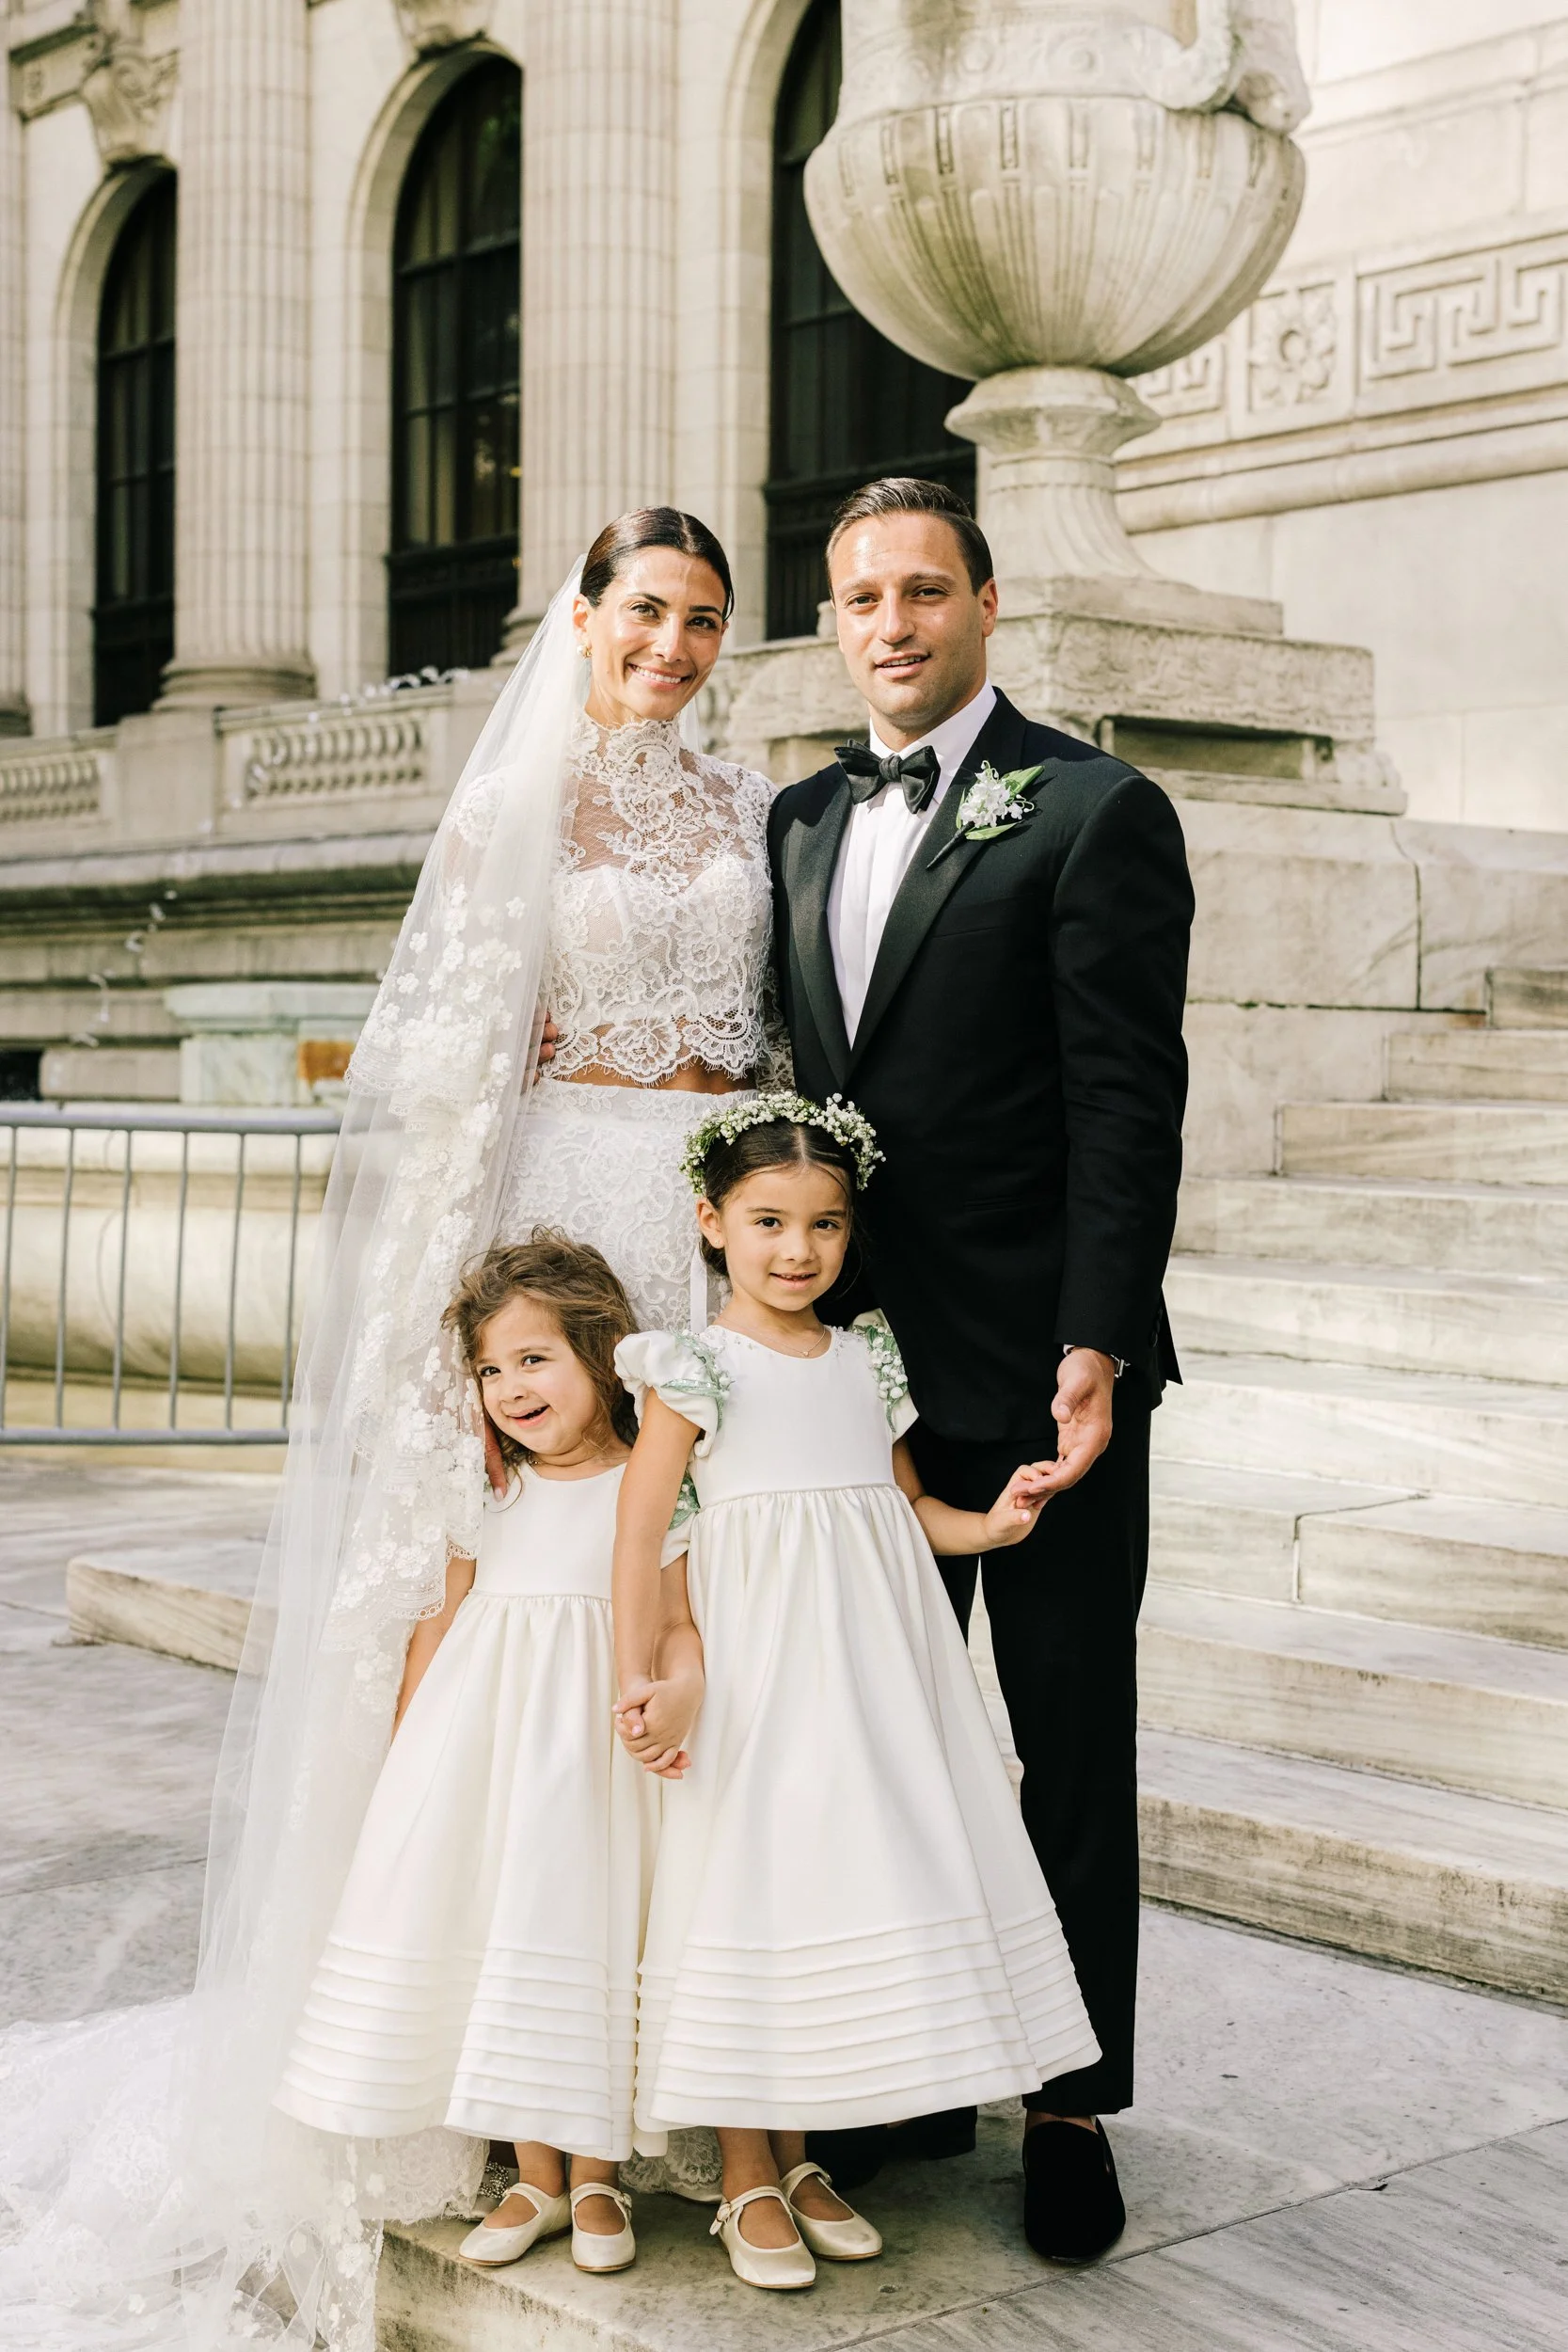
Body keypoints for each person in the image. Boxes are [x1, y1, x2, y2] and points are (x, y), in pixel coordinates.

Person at [0, 509, 771, 2347]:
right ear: (581, 619)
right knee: (541, 1656)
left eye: (701, 620)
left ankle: (700, 2072)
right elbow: (439, 1099)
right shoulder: (511, 812)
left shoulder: (754, 806)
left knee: (706, 1640)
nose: (669, 645)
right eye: (642, 611)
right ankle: (526, 2095)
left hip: (713, 1232)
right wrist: (450, 1379)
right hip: (572, 1220)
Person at [768, 479, 1195, 2261]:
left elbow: (1126, 1099)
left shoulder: (1095, 809)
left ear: (987, 605)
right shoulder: (797, 818)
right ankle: (912, 2068)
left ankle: (1071, 2100)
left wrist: (1094, 1342)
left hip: (1044, 1368)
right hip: (852, 1373)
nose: (892, 621)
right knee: (876, 1741)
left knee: (1066, 1738)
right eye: (861, 594)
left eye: (924, 590)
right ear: (834, 617)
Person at [610, 1097, 1101, 2293]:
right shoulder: (693, 1365)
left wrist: (992, 1521)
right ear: (710, 1222)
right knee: (749, 1876)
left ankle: (801, 2146)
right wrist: (648, 1677)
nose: (797, 1249)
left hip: (872, 1668)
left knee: (834, 1878)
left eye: (824, 1224)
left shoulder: (865, 1353)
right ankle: (740, 2170)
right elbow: (638, 1538)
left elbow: (902, 1504)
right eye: (768, 1220)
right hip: (756, 1668)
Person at [276, 1235, 657, 2278]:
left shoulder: (650, 1481)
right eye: (491, 1370)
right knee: (505, 1938)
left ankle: (596, 2174)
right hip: (491, 1752)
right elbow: (439, 1624)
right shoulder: (490, 1493)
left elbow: (674, 1609)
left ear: (603, 1351)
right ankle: (535, 2173)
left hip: (599, 1754)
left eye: (535, 1359)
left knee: (584, 1938)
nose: (509, 1388)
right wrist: (409, 1753)